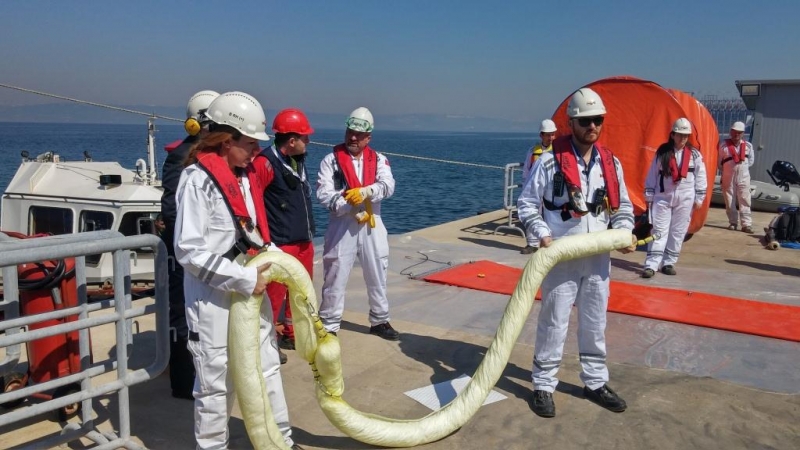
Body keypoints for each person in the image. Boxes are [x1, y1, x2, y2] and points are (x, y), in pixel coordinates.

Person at [174, 91, 301, 449]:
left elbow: (252, 234)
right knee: (216, 386)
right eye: (249, 144)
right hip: (212, 300)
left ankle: (281, 442)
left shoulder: (242, 178)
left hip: (250, 291)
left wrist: (278, 261)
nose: (256, 152)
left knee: (267, 369)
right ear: (226, 141)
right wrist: (246, 279)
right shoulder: (197, 181)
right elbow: (189, 251)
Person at [517, 87, 636, 418]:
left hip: (598, 257)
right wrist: (541, 233)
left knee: (595, 322)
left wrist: (624, 232)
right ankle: (543, 385)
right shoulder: (550, 162)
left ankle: (595, 382)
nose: (592, 127)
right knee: (554, 321)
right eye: (585, 121)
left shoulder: (610, 163)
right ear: (571, 123)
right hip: (561, 254)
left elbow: (623, 207)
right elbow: (527, 204)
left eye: (597, 120)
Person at [316, 107, 399, 340]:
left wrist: (366, 191)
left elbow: (388, 186)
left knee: (378, 272)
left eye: (359, 135)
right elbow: (323, 193)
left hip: (373, 222)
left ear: (368, 137)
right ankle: (329, 323)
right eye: (350, 132)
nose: (353, 137)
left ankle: (380, 320)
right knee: (335, 272)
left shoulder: (379, 160)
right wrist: (346, 202)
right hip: (343, 223)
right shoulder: (330, 161)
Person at [160, 89, 219, 400]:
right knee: (183, 316)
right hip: (184, 252)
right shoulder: (179, 158)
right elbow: (171, 208)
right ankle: (183, 382)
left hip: (206, 252)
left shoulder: (213, 157)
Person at [253, 108, 316, 354]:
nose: (308, 141)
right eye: (305, 137)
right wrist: (265, 242)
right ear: (292, 141)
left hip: (303, 241)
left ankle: (293, 333)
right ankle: (267, 343)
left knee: (301, 293)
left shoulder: (298, 161)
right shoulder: (265, 164)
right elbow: (256, 203)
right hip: (281, 243)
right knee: (273, 297)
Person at [641, 118, 708, 278]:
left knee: (678, 232)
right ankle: (651, 264)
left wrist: (700, 197)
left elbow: (701, 176)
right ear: (672, 134)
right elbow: (652, 174)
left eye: (685, 135)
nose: (682, 138)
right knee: (659, 231)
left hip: (685, 198)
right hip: (662, 197)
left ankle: (669, 262)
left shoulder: (695, 155)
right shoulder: (662, 153)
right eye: (679, 135)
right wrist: (649, 194)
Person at [519, 119, 557, 254]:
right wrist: (526, 188)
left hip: (552, 190)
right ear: (541, 135)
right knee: (532, 213)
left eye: (553, 134)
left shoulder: (559, 152)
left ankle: (550, 242)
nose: (551, 137)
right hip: (536, 188)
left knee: (551, 216)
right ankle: (532, 243)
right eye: (548, 134)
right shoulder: (532, 151)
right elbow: (526, 171)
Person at [718, 121, 755, 233]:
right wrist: (728, 170)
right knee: (729, 199)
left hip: (744, 176)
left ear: (743, 133)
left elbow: (751, 161)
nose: (736, 135)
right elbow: (719, 163)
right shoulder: (723, 146)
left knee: (745, 199)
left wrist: (742, 169)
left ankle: (746, 225)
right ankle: (733, 222)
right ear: (731, 132)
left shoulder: (748, 146)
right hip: (728, 176)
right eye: (734, 132)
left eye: (739, 133)